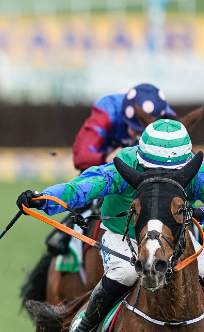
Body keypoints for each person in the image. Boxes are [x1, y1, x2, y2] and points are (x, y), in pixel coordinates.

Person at [19, 119, 204, 332]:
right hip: (124, 235)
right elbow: (78, 189)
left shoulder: (197, 173)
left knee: (203, 265)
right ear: (140, 159)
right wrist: (42, 198)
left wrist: (200, 215)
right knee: (125, 272)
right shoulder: (121, 166)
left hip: (172, 237)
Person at [46, 84, 176, 257]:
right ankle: (65, 235)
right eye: (134, 129)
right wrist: (106, 158)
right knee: (89, 185)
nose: (137, 137)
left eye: (142, 132)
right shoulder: (107, 110)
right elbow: (80, 156)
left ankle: (203, 239)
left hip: (147, 170)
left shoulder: (169, 118)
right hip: (108, 168)